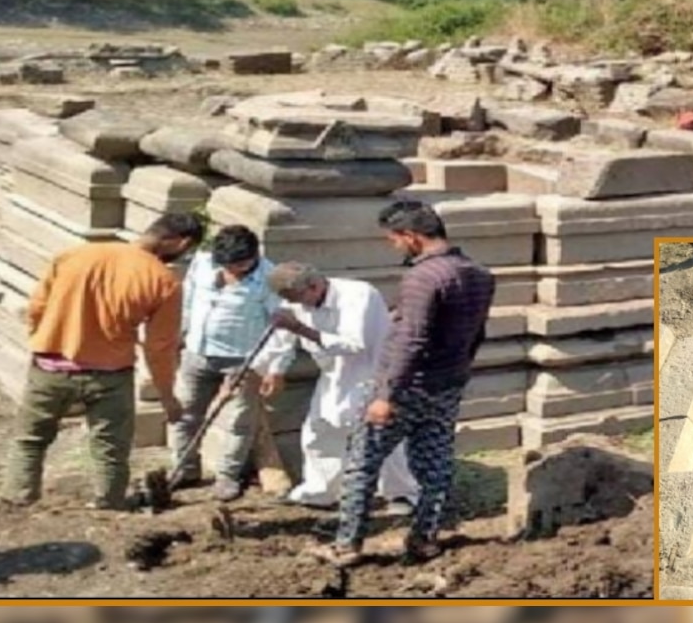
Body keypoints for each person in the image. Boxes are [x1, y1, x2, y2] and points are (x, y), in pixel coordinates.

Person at [310, 199, 496, 567]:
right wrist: (457, 371)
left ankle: (347, 545)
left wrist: (386, 395)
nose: (393, 246)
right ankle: (424, 539)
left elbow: (411, 339)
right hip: (448, 385)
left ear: (411, 237)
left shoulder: (422, 278)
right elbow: (477, 334)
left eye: (393, 239)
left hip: (406, 388)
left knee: (363, 464)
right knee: (436, 465)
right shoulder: (479, 274)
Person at [3, 212, 204, 510]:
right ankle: (109, 507)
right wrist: (167, 397)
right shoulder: (163, 281)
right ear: (180, 242)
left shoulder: (73, 256)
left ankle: (19, 504)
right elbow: (159, 348)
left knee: (30, 441)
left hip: (51, 366)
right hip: (110, 374)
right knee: (110, 449)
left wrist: (45, 342)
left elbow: (36, 309)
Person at [250, 263, 419, 512]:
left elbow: (352, 345)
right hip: (333, 374)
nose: (299, 306)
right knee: (320, 431)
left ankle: (401, 494)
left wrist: (300, 328)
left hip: (371, 372)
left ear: (314, 286)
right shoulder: (296, 302)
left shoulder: (358, 295)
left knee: (380, 434)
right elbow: (281, 342)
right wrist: (272, 370)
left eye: (299, 299)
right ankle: (320, 491)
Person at [171, 224, 280, 502]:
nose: (232, 271)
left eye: (239, 265)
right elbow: (189, 299)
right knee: (186, 414)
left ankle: (228, 476)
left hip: (242, 359)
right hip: (198, 352)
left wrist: (274, 367)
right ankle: (183, 468)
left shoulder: (270, 279)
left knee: (240, 421)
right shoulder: (202, 263)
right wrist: (180, 334)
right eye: (227, 265)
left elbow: (281, 326)